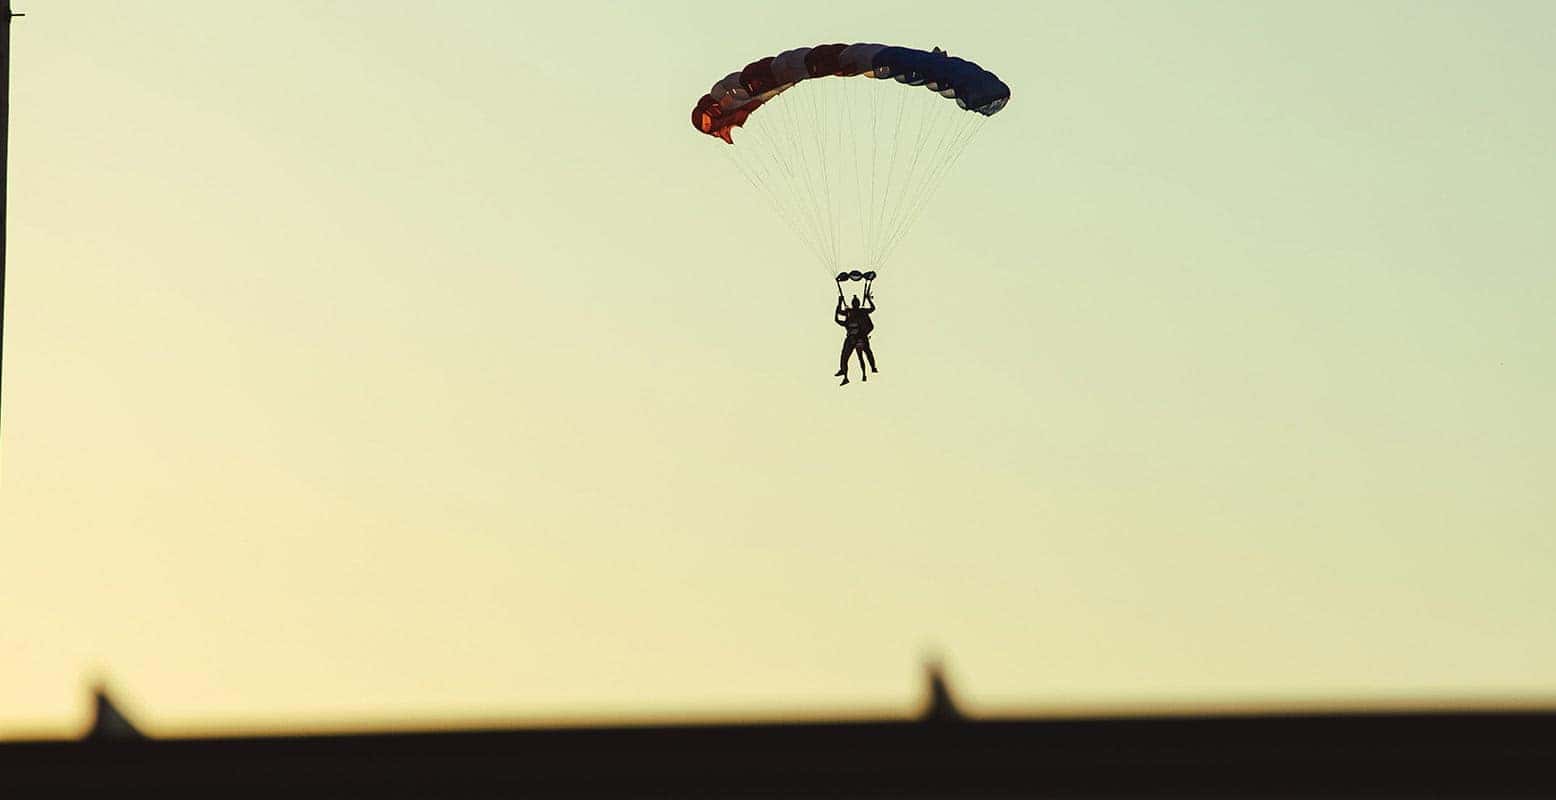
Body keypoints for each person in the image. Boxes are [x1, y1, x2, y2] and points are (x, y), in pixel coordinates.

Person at [834, 290, 877, 385]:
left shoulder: (851, 311)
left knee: (846, 355)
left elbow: (838, 314)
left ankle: (844, 372)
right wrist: (868, 299)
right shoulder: (859, 311)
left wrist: (839, 302)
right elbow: (873, 308)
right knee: (867, 352)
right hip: (857, 337)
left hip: (854, 338)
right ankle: (872, 367)